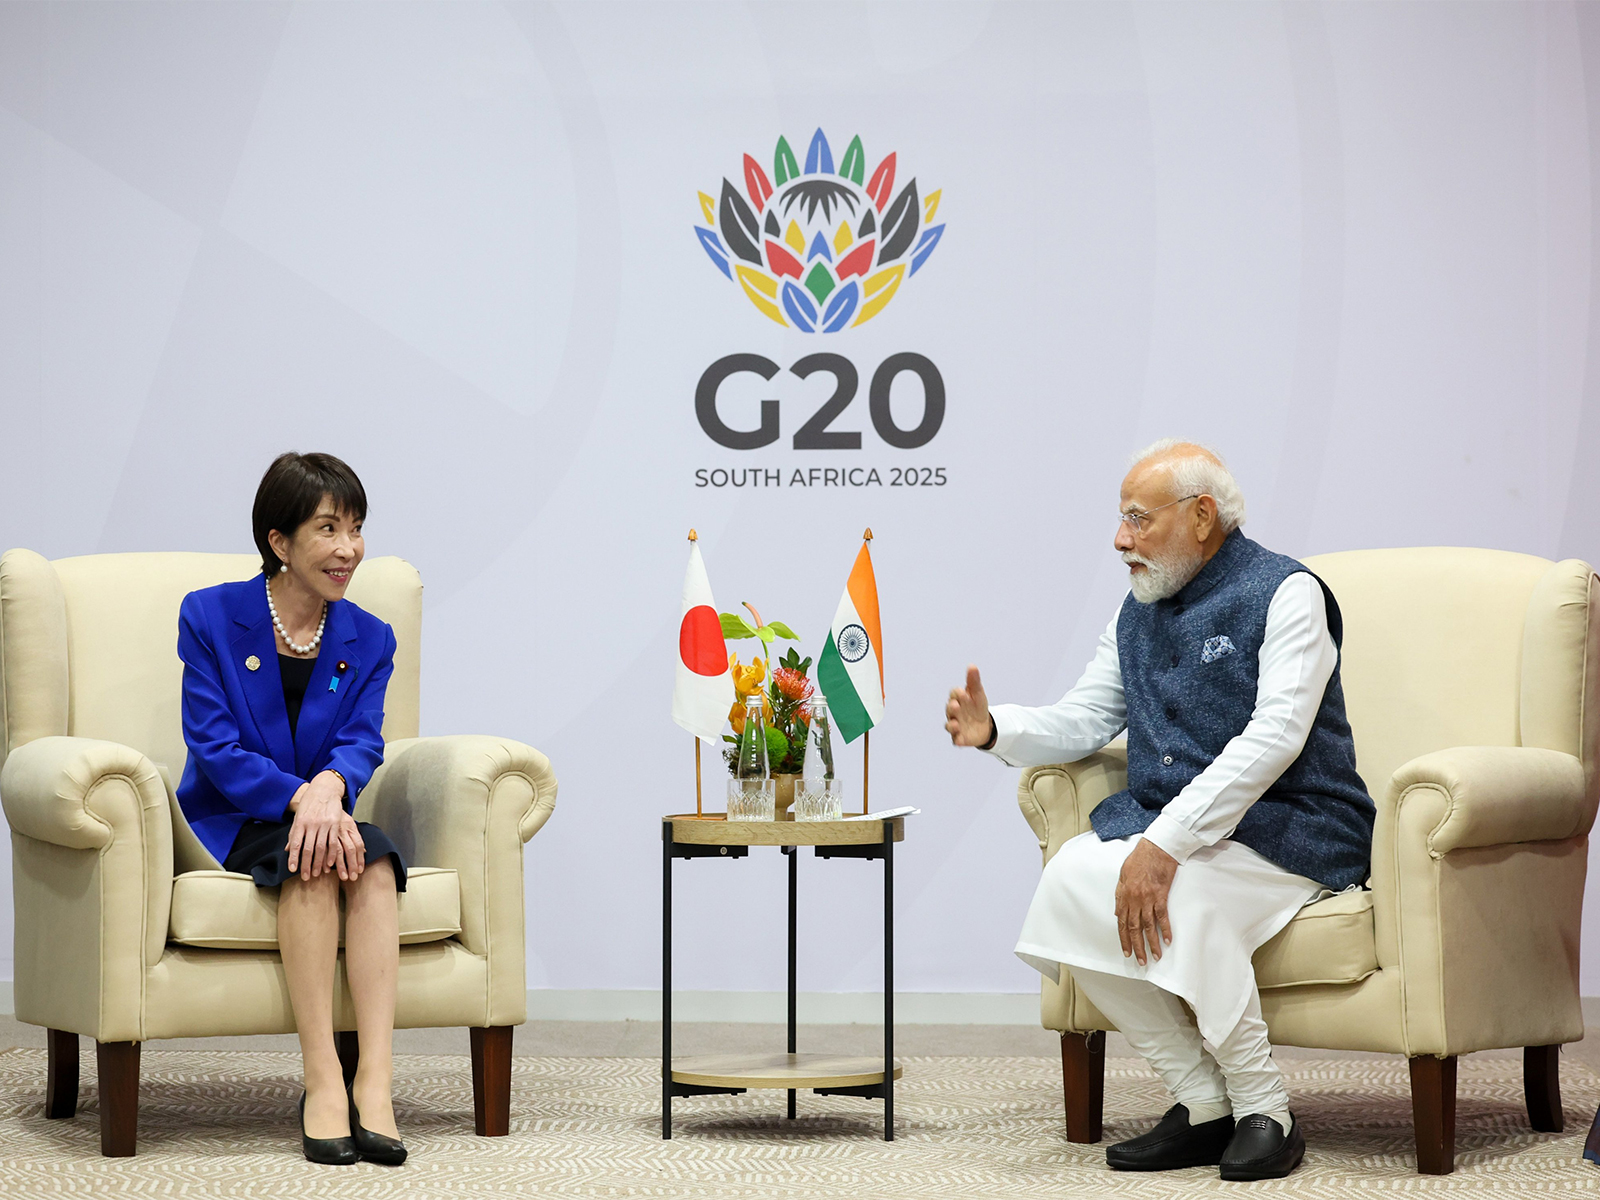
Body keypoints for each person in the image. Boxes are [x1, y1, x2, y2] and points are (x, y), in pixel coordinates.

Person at [945, 439, 1375, 1181]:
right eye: (1122, 519)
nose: (1121, 539)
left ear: (1202, 516)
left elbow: (1275, 735)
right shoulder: (1137, 607)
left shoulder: (1287, 593)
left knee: (1188, 893)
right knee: (1069, 881)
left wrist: (1167, 843)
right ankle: (1202, 1100)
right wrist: (995, 730)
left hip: (1293, 825)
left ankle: (1264, 1107)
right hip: (1178, 826)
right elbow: (1087, 717)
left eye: (1138, 519)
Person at [176, 452, 408, 1167]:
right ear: (279, 541)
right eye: (328, 529)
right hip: (237, 815)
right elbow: (213, 747)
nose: (349, 549)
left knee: (373, 864)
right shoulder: (211, 616)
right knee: (312, 861)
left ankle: (375, 1082)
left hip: (326, 808)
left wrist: (331, 787)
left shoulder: (371, 637)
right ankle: (323, 1081)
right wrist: (301, 795)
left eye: (356, 528)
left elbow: (361, 740)